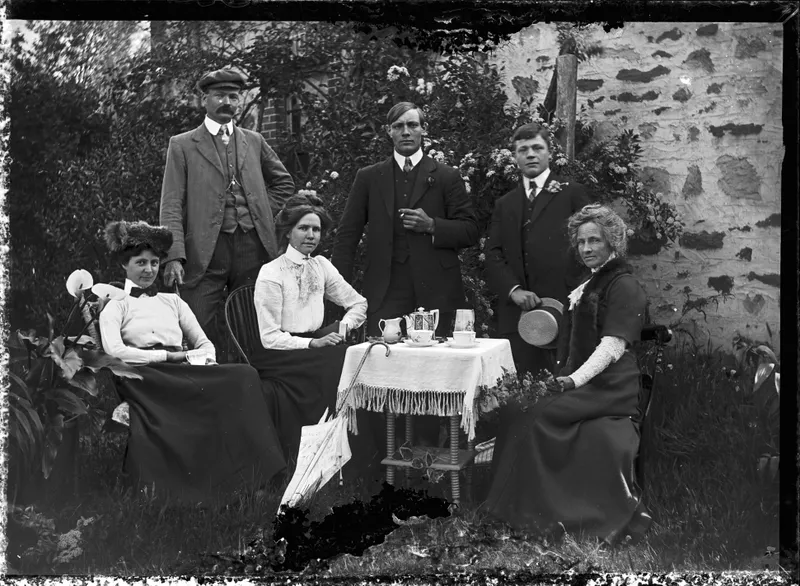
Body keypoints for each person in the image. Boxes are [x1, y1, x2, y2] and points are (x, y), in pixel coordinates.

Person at [483, 204, 650, 542]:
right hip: (589, 384)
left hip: (611, 388)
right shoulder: (591, 283)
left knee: (534, 415)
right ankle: (515, 507)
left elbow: (611, 347)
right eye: (581, 242)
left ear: (612, 242)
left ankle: (538, 511)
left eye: (595, 241)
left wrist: (573, 380)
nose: (586, 248)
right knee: (518, 408)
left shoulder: (624, 285)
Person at [98, 220, 286, 503]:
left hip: (181, 368)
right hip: (143, 376)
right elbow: (114, 351)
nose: (149, 270)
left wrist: (203, 360)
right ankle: (191, 489)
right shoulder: (116, 306)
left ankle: (258, 476)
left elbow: (205, 343)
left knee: (244, 375)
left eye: (154, 263)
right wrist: (166, 356)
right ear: (125, 265)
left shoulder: (173, 302)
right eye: (140, 262)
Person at [332, 101, 479, 449]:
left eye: (412, 125)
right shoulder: (370, 177)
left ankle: (427, 454)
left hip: (436, 290)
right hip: (387, 289)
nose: (406, 132)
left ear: (423, 129)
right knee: (382, 366)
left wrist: (433, 226)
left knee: (430, 373)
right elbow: (348, 234)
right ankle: (382, 454)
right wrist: (339, 290)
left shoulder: (446, 176)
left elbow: (471, 230)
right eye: (398, 126)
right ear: (389, 133)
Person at [160, 67, 295, 361]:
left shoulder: (254, 141)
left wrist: (260, 212)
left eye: (233, 96)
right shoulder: (182, 145)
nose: (227, 103)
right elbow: (171, 204)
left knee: (251, 323)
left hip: (252, 246)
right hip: (205, 251)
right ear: (204, 99)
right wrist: (174, 255)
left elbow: (284, 184)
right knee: (198, 323)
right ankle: (208, 380)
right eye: (220, 95)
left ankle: (251, 381)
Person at [250, 194, 380, 479]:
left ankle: (359, 462)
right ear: (288, 232)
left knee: (351, 358)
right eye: (303, 228)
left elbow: (358, 304)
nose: (311, 235)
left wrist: (341, 330)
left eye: (316, 229)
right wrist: (313, 343)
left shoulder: (321, 265)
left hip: (314, 344)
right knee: (338, 363)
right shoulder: (271, 273)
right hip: (279, 353)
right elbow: (269, 337)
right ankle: (333, 463)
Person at [485, 122, 589, 378]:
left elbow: (592, 247)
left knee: (562, 385)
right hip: (518, 316)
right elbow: (493, 253)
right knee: (519, 388)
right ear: (515, 157)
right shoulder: (505, 204)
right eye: (523, 150)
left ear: (549, 152)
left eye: (537, 148)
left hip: (564, 311)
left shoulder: (572, 193)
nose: (530, 154)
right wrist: (514, 291)